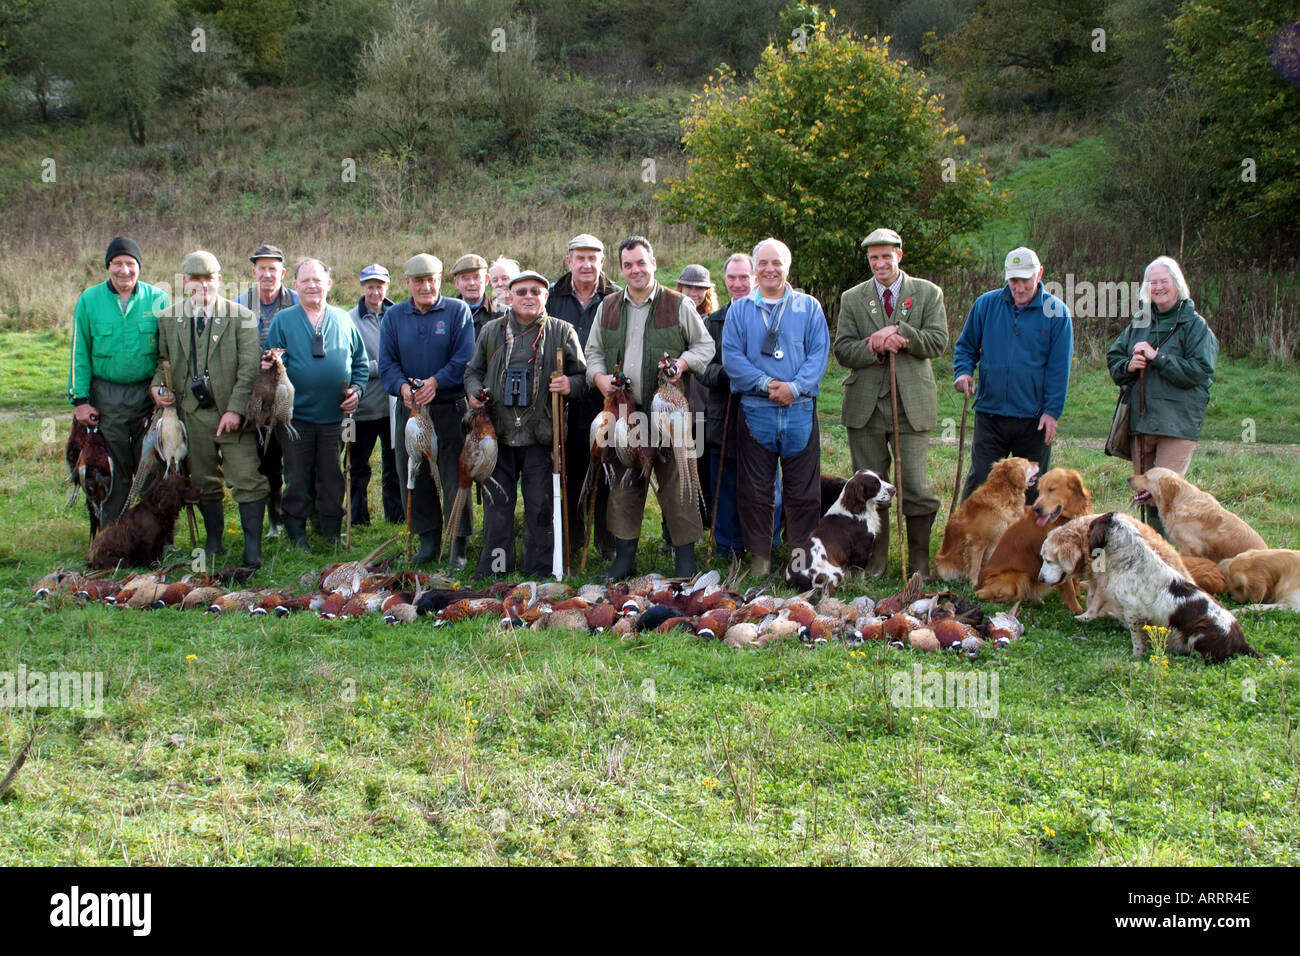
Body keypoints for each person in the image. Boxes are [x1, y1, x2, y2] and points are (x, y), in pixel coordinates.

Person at [584, 235, 715, 580]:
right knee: (625, 484)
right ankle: (624, 559)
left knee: (679, 482)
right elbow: (593, 351)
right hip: (626, 410)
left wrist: (683, 365)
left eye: (641, 262)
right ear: (621, 268)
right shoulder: (608, 306)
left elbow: (705, 347)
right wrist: (599, 379)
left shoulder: (678, 304)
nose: (635, 270)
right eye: (628, 265)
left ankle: (685, 561)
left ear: (653, 263)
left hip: (669, 409)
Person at [833, 227, 949, 579]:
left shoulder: (928, 294)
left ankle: (918, 564)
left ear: (899, 255)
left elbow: (938, 342)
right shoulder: (853, 298)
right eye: (873, 258)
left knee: (914, 486)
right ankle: (875, 562)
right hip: (865, 407)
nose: (880, 263)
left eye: (886, 256)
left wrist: (901, 332)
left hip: (911, 405)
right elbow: (842, 350)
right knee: (870, 487)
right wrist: (875, 344)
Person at [464, 270, 587, 576]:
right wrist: (473, 394)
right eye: (521, 292)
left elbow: (583, 377)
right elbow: (471, 372)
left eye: (536, 291)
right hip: (498, 437)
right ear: (509, 296)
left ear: (546, 297)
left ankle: (540, 571)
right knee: (498, 508)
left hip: (541, 434)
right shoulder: (492, 332)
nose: (528, 297)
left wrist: (569, 385)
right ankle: (497, 568)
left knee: (541, 507)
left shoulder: (562, 331)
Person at [721, 239, 830, 578]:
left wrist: (794, 388)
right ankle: (760, 561)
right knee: (755, 492)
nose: (770, 269)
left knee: (804, 493)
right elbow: (732, 358)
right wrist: (767, 385)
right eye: (763, 263)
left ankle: (800, 564)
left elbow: (819, 354)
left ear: (788, 266)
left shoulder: (809, 307)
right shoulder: (739, 311)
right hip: (756, 409)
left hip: (799, 410)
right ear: (754, 269)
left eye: (777, 263)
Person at [151, 251, 268, 567]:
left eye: (210, 279)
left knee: (247, 477)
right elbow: (160, 361)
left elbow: (249, 369)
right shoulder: (168, 318)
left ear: (219, 279)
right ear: (185, 281)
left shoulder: (241, 317)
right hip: (192, 413)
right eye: (196, 279)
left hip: (233, 415)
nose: (204, 285)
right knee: (202, 480)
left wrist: (235, 409)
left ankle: (252, 550)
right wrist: (157, 387)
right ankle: (213, 541)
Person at [1106, 255, 1218, 535]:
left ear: (1177, 284)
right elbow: (1114, 357)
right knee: (1146, 497)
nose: (1158, 287)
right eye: (1152, 282)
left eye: (1163, 281)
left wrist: (1158, 357)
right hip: (1141, 423)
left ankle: (1175, 563)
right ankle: (1152, 558)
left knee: (1166, 496)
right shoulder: (1140, 321)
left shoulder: (1196, 326)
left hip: (1176, 426)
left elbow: (1200, 372)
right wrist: (1128, 365)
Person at [952, 247, 1073, 504]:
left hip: (1034, 419)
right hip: (990, 412)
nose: (1019, 287)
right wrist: (963, 372)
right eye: (1013, 280)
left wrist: (1052, 412)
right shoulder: (986, 304)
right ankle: (968, 539)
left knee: (1032, 489)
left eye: (1025, 280)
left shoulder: (1057, 312)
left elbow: (1059, 367)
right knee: (982, 482)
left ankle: (1026, 542)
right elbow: (966, 346)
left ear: (1039, 274)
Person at [378, 254, 476, 567]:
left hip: (449, 407)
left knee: (454, 475)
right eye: (419, 281)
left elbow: (464, 359)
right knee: (414, 470)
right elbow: (386, 364)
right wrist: (402, 388)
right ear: (407, 283)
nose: (426, 286)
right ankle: (427, 539)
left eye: (432, 279)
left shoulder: (457, 310)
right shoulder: (394, 316)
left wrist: (437, 381)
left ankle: (457, 543)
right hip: (410, 410)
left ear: (441, 279)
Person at [264, 259, 369, 549]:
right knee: (296, 477)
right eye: (305, 280)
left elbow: (360, 363)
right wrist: (271, 365)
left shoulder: (344, 319)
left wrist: (357, 391)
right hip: (295, 418)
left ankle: (331, 531)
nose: (312, 285)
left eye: (317, 280)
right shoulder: (283, 321)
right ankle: (297, 535)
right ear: (295, 285)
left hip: (336, 418)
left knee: (332, 476)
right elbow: (274, 363)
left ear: (328, 284)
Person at [67, 235, 170, 523]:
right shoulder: (90, 300)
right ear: (108, 266)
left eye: (130, 264)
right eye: (117, 264)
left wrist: (163, 388)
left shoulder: (158, 298)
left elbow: (168, 351)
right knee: (114, 467)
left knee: (151, 465)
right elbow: (80, 352)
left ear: (139, 267)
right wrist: (80, 400)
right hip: (107, 397)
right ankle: (113, 534)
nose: (124, 271)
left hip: (146, 396)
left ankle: (156, 534)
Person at [548, 234, 621, 560]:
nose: (587, 264)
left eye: (593, 258)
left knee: (608, 467)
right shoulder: (552, 296)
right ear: (569, 261)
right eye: (580, 258)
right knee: (571, 469)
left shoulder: (617, 296)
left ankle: (608, 541)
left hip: (604, 396)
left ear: (602, 261)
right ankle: (573, 539)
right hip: (565, 398)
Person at [236, 243, 299, 538]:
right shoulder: (240, 305)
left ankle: (297, 518)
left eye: (273, 268)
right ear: (254, 272)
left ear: (282, 272)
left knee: (296, 459)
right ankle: (272, 519)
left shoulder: (297, 303)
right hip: (257, 393)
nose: (267, 274)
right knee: (266, 459)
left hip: (288, 390)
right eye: (261, 268)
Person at [346, 263, 402, 526]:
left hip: (394, 407)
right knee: (357, 467)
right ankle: (357, 518)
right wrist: (382, 366)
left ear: (386, 287)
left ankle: (396, 516)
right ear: (362, 287)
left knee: (394, 465)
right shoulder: (349, 319)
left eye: (379, 286)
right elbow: (349, 365)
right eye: (370, 286)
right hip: (362, 408)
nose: (375, 291)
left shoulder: (399, 314)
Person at [673, 264, 720, 541]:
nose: (692, 293)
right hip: (676, 407)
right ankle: (675, 532)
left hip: (703, 408)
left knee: (701, 469)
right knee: (676, 471)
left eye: (699, 288)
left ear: (707, 291)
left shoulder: (713, 321)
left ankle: (705, 526)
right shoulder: (673, 316)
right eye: (687, 287)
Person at [451, 253, 496, 338]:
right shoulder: (449, 313)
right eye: (465, 278)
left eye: (476, 277)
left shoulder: (501, 313)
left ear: (486, 279)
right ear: (456, 283)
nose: (471, 283)